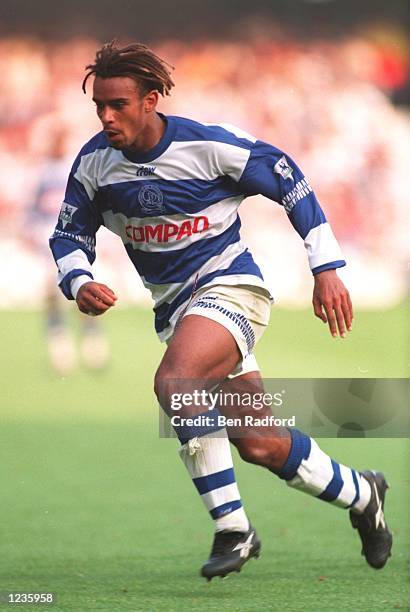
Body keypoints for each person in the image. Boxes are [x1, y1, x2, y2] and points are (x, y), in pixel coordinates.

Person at [49, 40, 392, 580]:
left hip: (233, 289)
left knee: (175, 383)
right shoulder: (95, 164)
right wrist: (79, 279)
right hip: (177, 313)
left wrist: (326, 267)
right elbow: (68, 234)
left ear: (151, 100)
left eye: (117, 104)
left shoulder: (207, 145)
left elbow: (288, 177)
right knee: (261, 443)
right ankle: (361, 492)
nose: (106, 116)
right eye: (99, 106)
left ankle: (234, 528)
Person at [31, 127, 110, 374]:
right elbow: (32, 211)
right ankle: (60, 348)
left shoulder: (73, 169)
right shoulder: (42, 174)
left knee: (84, 290)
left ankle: (92, 344)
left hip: (76, 242)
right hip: (49, 244)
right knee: (53, 297)